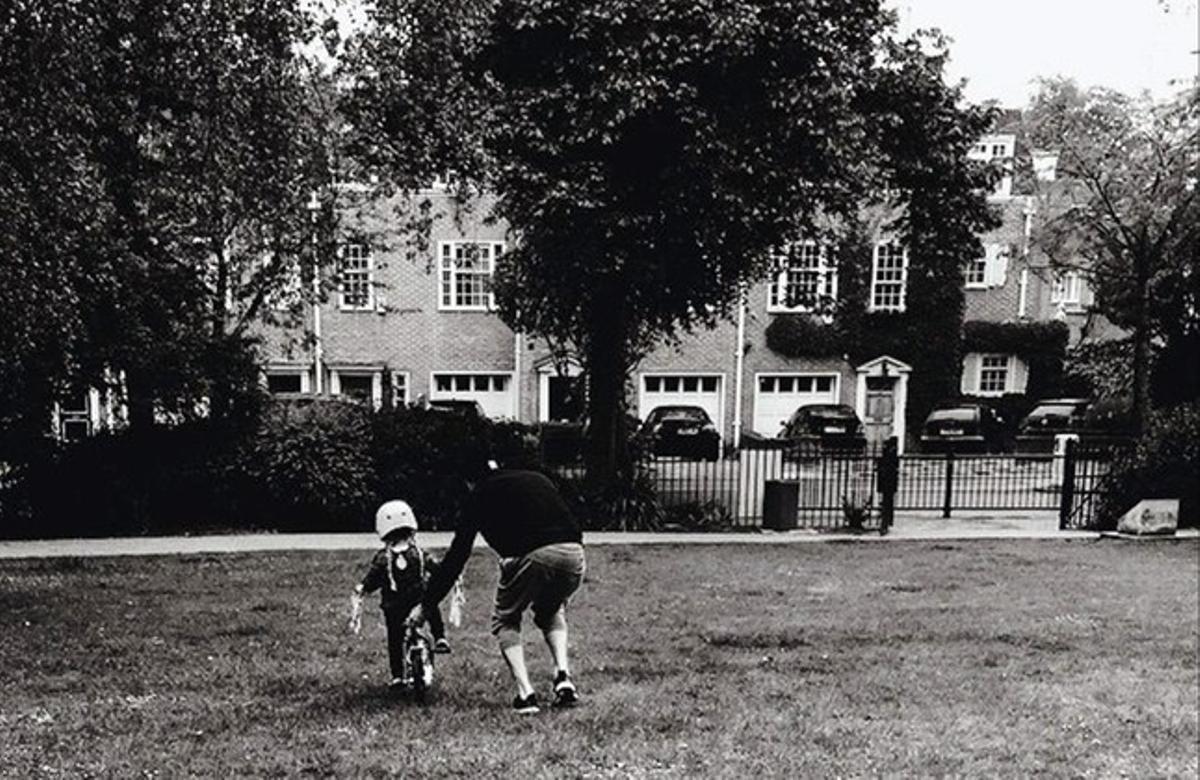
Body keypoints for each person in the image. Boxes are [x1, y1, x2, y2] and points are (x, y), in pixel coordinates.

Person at [414, 464, 586, 714]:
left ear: (467, 481)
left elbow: (456, 558)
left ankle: (525, 694)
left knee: (506, 620)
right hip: (574, 553)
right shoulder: (535, 476)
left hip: (532, 554)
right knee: (550, 610)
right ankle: (563, 677)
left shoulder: (479, 494)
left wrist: (425, 606)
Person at [353, 500, 451, 690]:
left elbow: (373, 579)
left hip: (394, 606)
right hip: (418, 603)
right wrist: (447, 573)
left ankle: (398, 676)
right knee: (431, 605)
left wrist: (362, 588)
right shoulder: (420, 554)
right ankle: (439, 636)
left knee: (395, 639)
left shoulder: (383, 557)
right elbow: (437, 569)